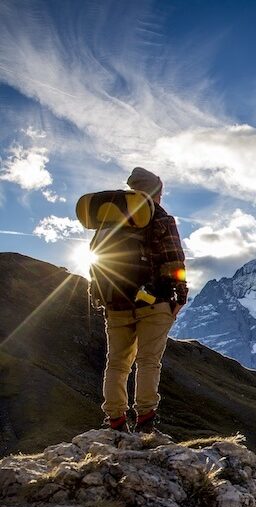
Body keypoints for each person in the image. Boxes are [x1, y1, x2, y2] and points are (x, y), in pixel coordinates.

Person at [97, 167, 188, 433]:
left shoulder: (110, 219)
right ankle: (146, 422)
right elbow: (174, 260)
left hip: (116, 303)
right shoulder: (161, 218)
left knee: (116, 362)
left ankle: (115, 420)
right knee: (148, 361)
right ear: (156, 193)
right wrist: (179, 296)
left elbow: (98, 259)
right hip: (154, 302)